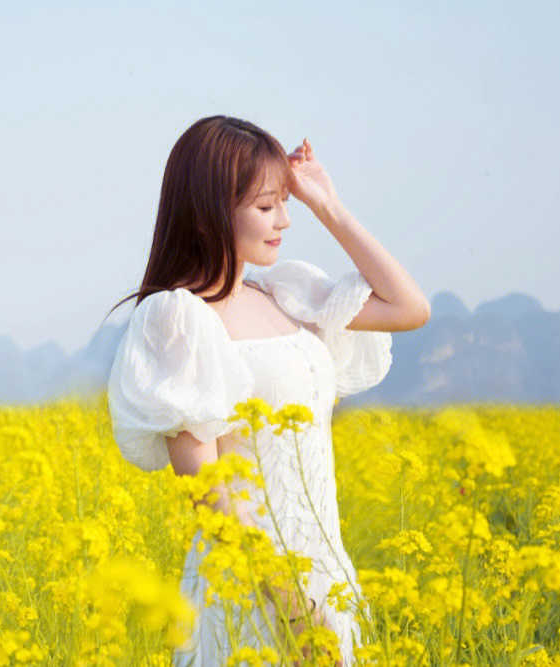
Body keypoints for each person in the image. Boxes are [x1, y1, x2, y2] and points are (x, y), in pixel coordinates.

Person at [105, 116, 431, 666]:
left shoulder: (283, 295)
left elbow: (410, 308)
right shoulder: (179, 319)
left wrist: (325, 204)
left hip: (322, 579)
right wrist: (294, 612)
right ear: (211, 211)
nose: (284, 219)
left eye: (285, 202)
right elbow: (212, 497)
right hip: (252, 595)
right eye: (265, 206)